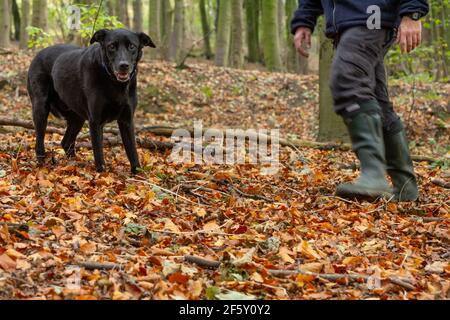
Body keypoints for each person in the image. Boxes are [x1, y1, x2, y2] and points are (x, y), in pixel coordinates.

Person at [291, 0, 429, 202]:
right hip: (347, 23)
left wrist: (413, 11)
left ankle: (374, 175)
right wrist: (304, 19)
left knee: (347, 80)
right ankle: (405, 186)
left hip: (372, 14)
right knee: (376, 99)